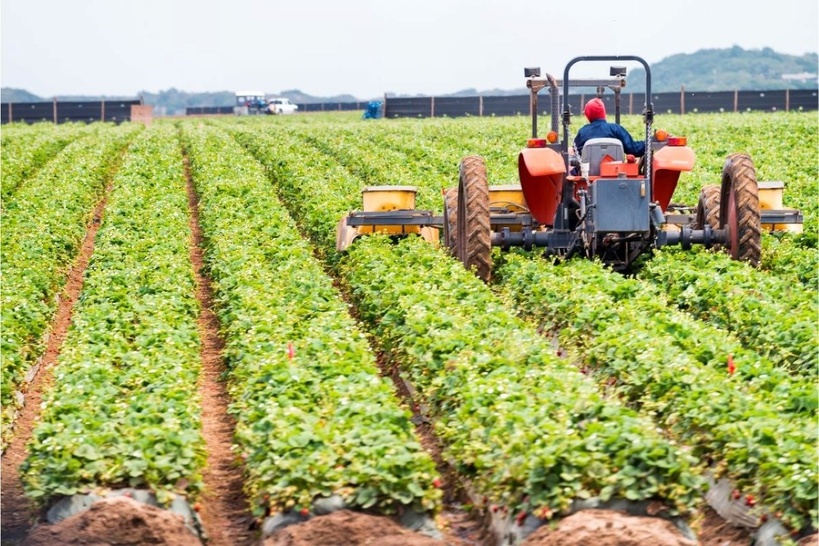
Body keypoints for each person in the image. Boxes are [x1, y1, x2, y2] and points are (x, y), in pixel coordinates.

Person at [573, 97, 645, 157]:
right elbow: (634, 149)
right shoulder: (616, 129)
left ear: (588, 114)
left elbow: (576, 153)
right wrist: (650, 140)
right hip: (616, 172)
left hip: (588, 173)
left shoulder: (583, 132)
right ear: (603, 112)